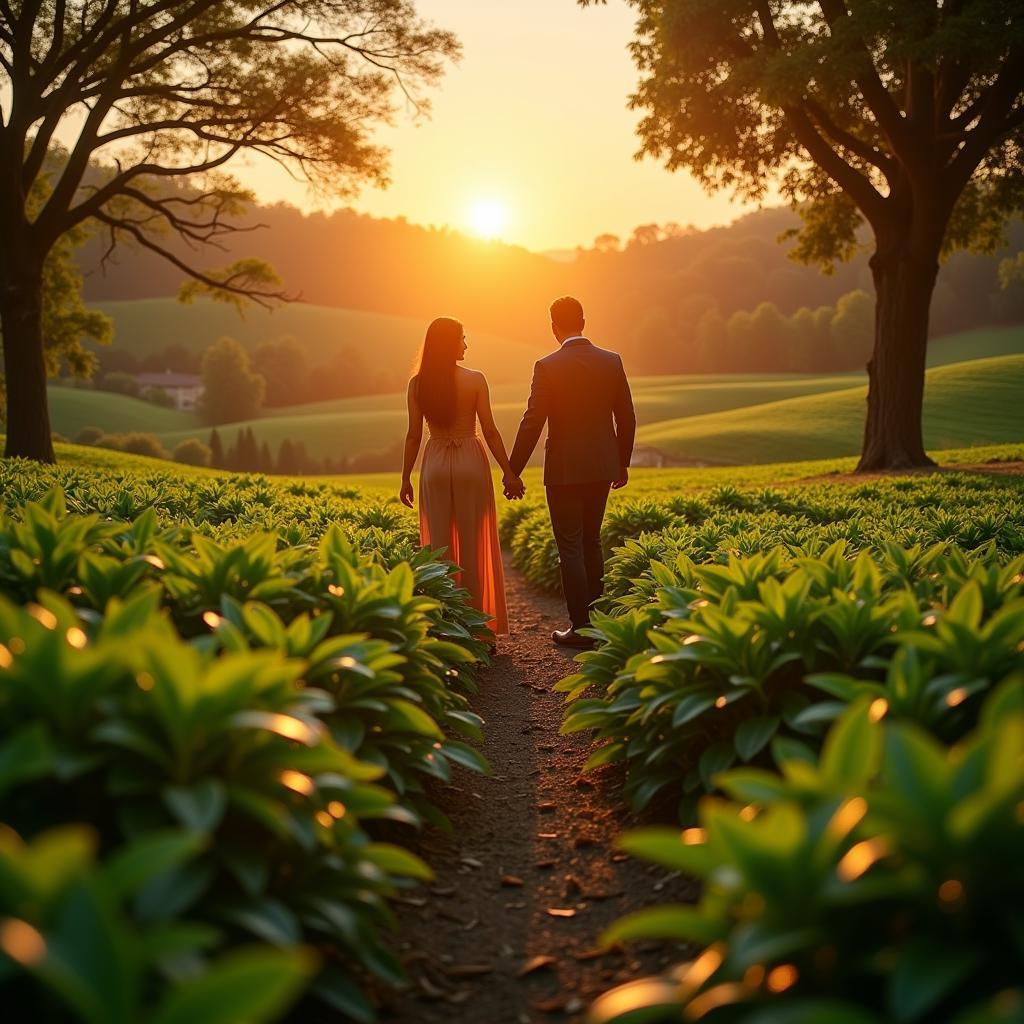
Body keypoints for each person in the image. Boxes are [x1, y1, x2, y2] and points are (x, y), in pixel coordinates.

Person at [508, 296, 635, 647]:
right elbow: (625, 416)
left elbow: (532, 422)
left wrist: (512, 470)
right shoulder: (612, 361)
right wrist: (621, 462)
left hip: (563, 469)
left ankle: (579, 628)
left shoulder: (547, 365)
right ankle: (596, 623)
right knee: (592, 541)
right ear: (584, 320)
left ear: (553, 326)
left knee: (570, 547)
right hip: (601, 466)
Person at [400, 316, 523, 637]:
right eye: (462, 338)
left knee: (438, 545)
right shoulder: (476, 379)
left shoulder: (417, 384)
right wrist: (509, 473)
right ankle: (479, 627)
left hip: (435, 462)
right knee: (474, 542)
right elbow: (492, 432)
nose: (466, 344)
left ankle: (445, 625)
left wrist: (404, 478)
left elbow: (413, 435)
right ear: (449, 344)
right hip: (471, 460)